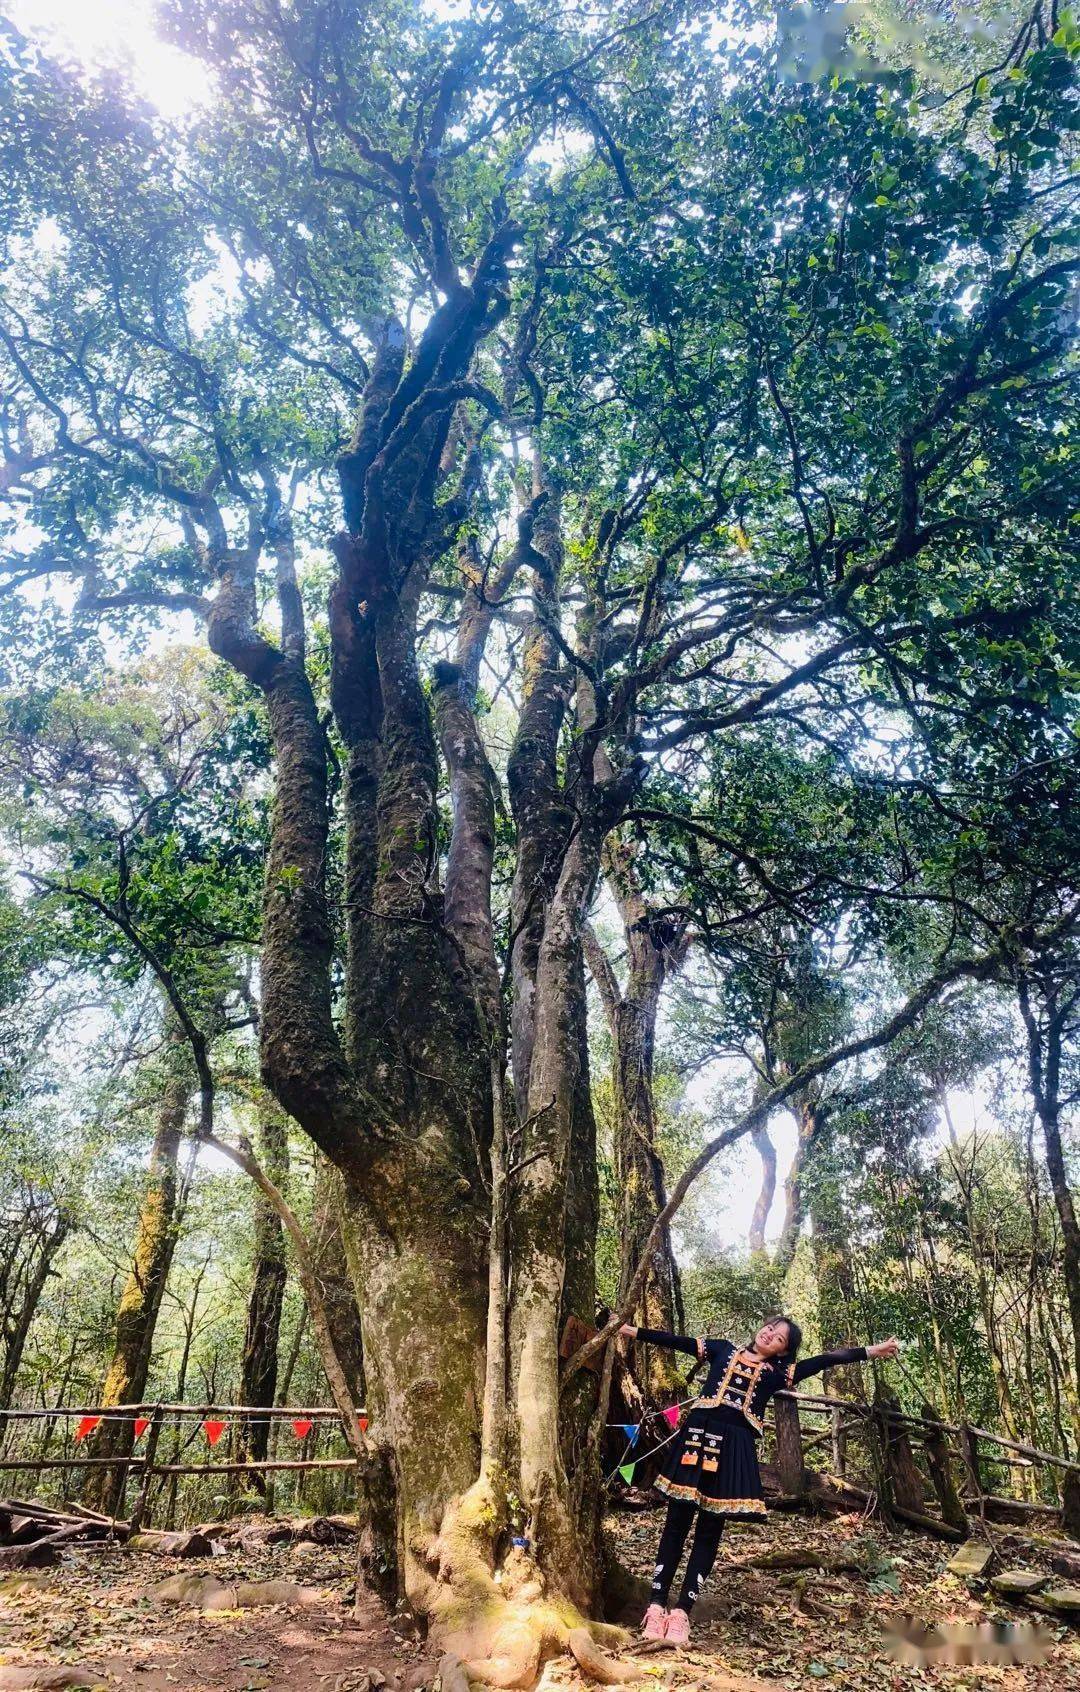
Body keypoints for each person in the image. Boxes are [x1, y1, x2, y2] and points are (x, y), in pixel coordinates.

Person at [621, 1315, 900, 1643]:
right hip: (696, 1438)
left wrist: (872, 1351)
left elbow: (827, 1360)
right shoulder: (722, 1349)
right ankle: (655, 1607)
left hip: (735, 1450)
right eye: (770, 1328)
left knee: (710, 1529)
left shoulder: (780, 1373)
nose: (770, 1335)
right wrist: (628, 1330)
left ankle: (682, 1611)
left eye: (780, 1338)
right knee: (676, 1522)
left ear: (783, 1351)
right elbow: (677, 1341)